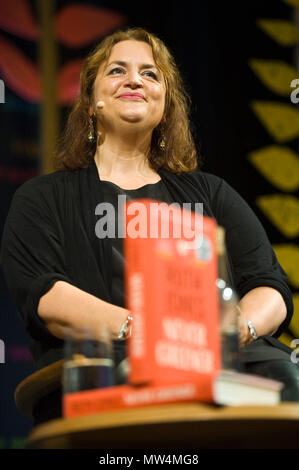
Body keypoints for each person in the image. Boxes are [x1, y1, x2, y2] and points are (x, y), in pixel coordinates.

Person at [1, 27, 299, 425]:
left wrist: (236, 331)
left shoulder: (213, 194)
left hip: (225, 366)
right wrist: (148, 334)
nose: (135, 79)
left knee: (285, 376)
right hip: (110, 363)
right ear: (91, 102)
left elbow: (269, 286)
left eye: (150, 73)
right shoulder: (42, 199)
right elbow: (46, 296)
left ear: (165, 103)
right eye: (117, 71)